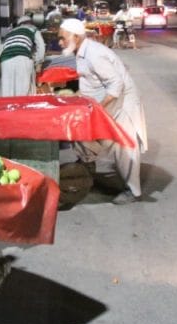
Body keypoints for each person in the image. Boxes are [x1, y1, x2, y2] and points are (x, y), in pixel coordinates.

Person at [58, 18, 148, 205]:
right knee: (84, 134)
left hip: (122, 102)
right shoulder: (82, 51)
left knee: (124, 146)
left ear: (76, 36)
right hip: (106, 101)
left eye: (63, 38)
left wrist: (98, 107)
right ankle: (87, 171)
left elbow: (116, 84)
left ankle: (133, 191)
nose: (60, 42)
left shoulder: (94, 54)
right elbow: (93, 80)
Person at [0, 13, 46, 96]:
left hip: (5, 61)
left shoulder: (11, 32)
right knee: (24, 91)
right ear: (30, 23)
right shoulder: (33, 29)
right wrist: (39, 62)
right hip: (22, 59)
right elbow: (41, 46)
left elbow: (6, 47)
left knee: (8, 91)